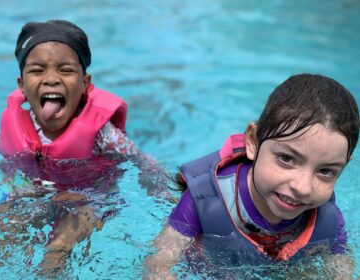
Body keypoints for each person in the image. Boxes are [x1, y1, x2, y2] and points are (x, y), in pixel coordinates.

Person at [0, 19, 171, 275]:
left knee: (59, 248)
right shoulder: (15, 127)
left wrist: (165, 195)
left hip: (87, 197)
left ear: (85, 84)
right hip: (31, 193)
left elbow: (143, 161)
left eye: (65, 70)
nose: (51, 79)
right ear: (21, 86)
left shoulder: (103, 135)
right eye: (37, 70)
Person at [145, 74, 359, 279]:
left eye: (326, 171)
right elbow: (158, 265)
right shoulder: (205, 201)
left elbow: (342, 270)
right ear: (253, 142)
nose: (302, 187)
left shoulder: (327, 220)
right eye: (286, 158)